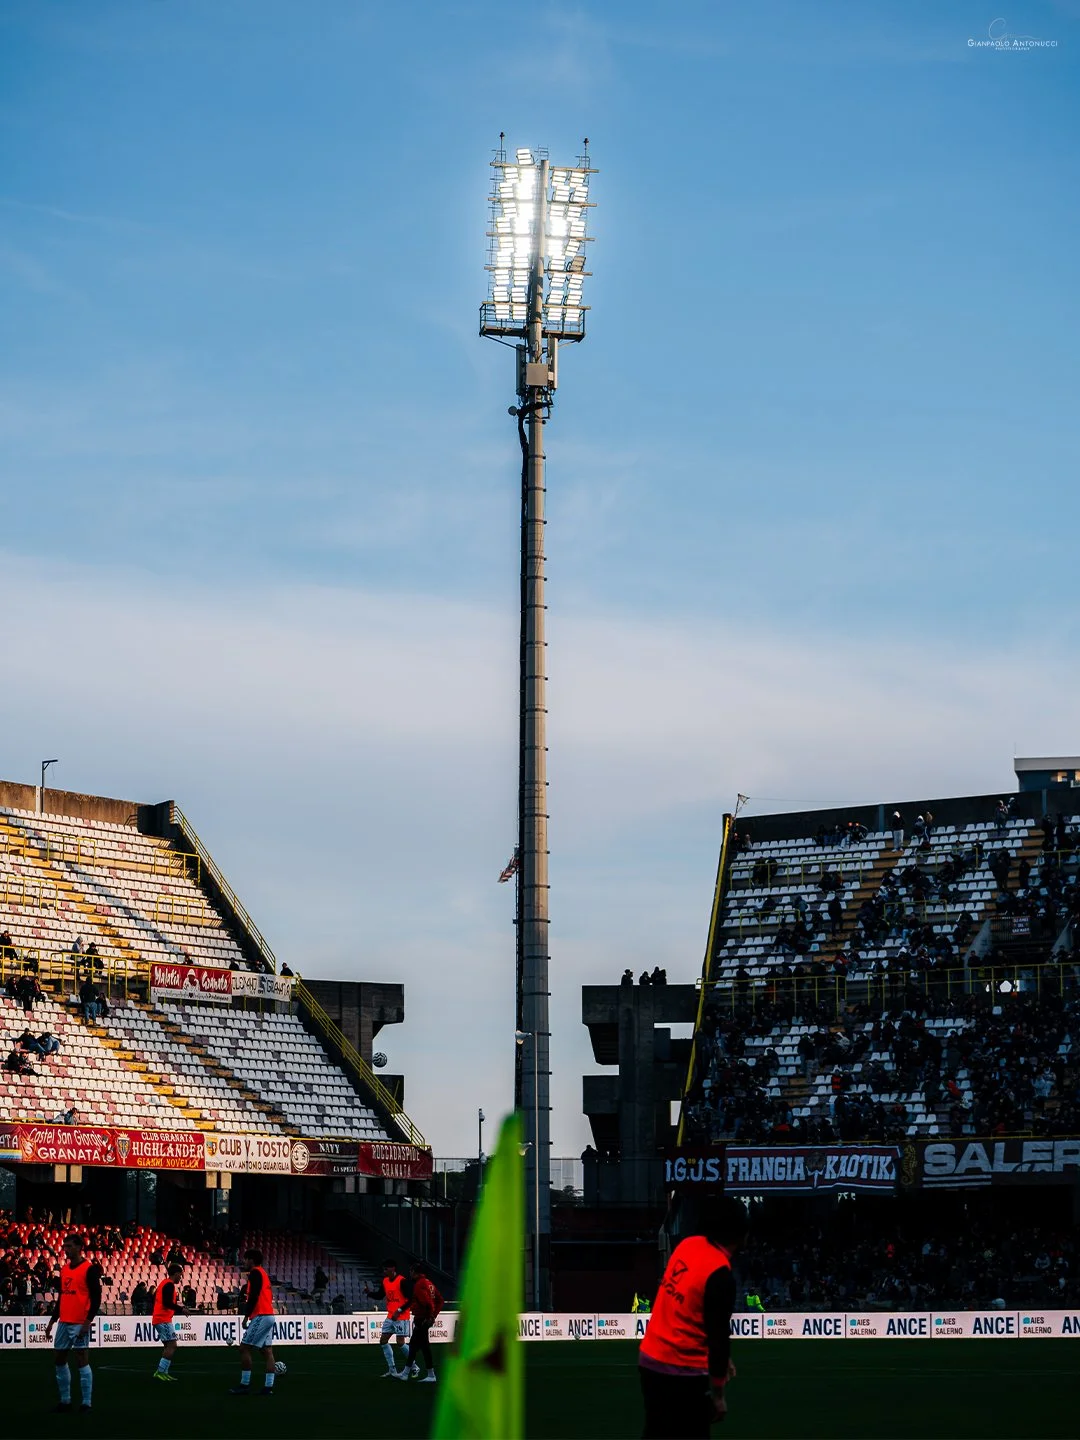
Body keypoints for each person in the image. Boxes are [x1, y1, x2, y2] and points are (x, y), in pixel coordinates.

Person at [638, 1196, 749, 1438]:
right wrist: (718, 1394)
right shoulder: (720, 1273)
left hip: (649, 1360)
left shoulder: (687, 1245)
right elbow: (718, 1337)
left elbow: (688, 1308)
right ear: (739, 1235)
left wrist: (722, 1359)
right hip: (682, 1372)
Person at [46, 1233, 102, 1413]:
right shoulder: (64, 1269)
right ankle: (65, 1400)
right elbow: (62, 1297)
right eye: (64, 1246)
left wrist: (88, 1321)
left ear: (79, 1247)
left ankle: (86, 1402)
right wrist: (52, 1320)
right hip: (64, 1321)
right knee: (59, 1359)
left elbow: (96, 1297)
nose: (66, 1249)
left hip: (79, 1322)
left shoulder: (89, 1269)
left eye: (69, 1246)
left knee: (81, 1360)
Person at [229, 1249, 278, 1397]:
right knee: (267, 1351)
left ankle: (245, 1385)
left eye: (245, 1259)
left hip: (261, 1315)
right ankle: (268, 1387)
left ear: (251, 1260)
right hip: (269, 1315)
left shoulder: (255, 1273)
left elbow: (254, 1296)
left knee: (244, 1348)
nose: (244, 1262)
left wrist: (246, 1316)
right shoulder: (263, 1273)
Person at [400, 1261, 443, 1383]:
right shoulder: (429, 1283)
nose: (409, 1273)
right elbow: (440, 1300)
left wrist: (429, 1317)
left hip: (421, 1319)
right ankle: (411, 1373)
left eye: (411, 1271)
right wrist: (433, 1316)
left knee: (417, 1346)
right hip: (425, 1318)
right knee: (420, 1346)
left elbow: (428, 1303)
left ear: (415, 1272)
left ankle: (410, 1374)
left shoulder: (419, 1284)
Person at [368, 1260, 411, 1378]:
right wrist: (369, 1293)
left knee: (400, 1343)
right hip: (390, 1316)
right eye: (384, 1269)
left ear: (393, 1269)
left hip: (401, 1317)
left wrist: (399, 1310)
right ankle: (392, 1370)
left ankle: (414, 1366)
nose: (384, 1271)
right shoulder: (385, 1281)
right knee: (383, 1341)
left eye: (386, 1269)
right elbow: (380, 1295)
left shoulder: (402, 1281)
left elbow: (411, 1300)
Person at [152, 1264, 185, 1382]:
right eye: (180, 1275)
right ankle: (160, 1371)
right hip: (163, 1319)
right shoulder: (169, 1285)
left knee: (168, 1346)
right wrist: (181, 1309)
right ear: (176, 1274)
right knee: (172, 1345)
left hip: (161, 1318)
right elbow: (167, 1303)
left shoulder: (164, 1284)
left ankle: (164, 1372)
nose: (180, 1277)